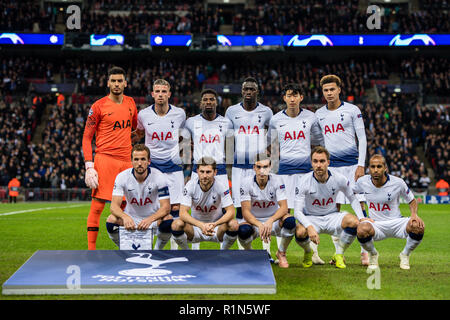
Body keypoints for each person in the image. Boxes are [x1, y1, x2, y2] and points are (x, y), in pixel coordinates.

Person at [315, 74, 369, 266]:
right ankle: (339, 253)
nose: (329, 93)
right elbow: (318, 143)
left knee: (361, 207)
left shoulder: (352, 110)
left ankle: (365, 251)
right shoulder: (318, 114)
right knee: (333, 211)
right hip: (332, 169)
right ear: (322, 92)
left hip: (353, 166)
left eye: (332, 89)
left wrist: (361, 164)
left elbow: (362, 138)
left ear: (339, 90)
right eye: (325, 90)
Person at [82, 66, 138, 250]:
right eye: (113, 81)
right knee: (97, 206)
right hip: (104, 160)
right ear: (108, 83)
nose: (116, 84)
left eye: (119, 81)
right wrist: (89, 165)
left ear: (125, 83)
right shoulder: (98, 106)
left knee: (126, 208)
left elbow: (135, 130)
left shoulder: (131, 103)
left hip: (126, 162)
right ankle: (91, 250)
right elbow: (87, 137)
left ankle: (127, 248)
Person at [269, 83, 324, 264]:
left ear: (301, 97)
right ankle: (280, 253)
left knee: (308, 213)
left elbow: (317, 143)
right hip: (284, 173)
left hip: (306, 174)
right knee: (284, 214)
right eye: (288, 95)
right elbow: (272, 146)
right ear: (284, 98)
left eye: (296, 95)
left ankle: (313, 253)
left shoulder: (311, 117)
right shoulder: (276, 120)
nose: (292, 99)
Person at [133, 79, 186, 249]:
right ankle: (153, 247)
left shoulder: (180, 114)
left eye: (164, 91)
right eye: (158, 91)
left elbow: (183, 136)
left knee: (176, 208)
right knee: (156, 208)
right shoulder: (143, 115)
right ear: (152, 94)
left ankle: (176, 249)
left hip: (173, 168)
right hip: (153, 168)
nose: (161, 95)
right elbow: (139, 133)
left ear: (169, 94)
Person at [294, 146, 365, 269]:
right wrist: (309, 227)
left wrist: (362, 218)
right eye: (315, 161)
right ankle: (308, 252)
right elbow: (297, 212)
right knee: (300, 232)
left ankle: (339, 254)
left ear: (328, 162)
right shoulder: (303, 181)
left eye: (322, 161)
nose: (319, 165)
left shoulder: (339, 178)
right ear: (311, 163)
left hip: (332, 217)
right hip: (312, 218)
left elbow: (353, 198)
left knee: (355, 222)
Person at [225, 77, 273, 253]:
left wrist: (266, 151)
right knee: (239, 207)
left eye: (252, 89)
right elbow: (227, 136)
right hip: (238, 167)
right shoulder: (231, 111)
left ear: (257, 92)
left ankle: (266, 252)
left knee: (263, 206)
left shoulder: (266, 112)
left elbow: (272, 134)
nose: (248, 92)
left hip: (259, 166)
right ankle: (244, 249)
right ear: (241, 91)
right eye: (246, 89)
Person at [181, 89, 233, 249]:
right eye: (205, 99)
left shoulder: (226, 122)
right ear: (201, 102)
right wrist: (188, 169)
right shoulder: (190, 122)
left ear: (216, 102)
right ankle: (195, 247)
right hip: (199, 169)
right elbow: (184, 143)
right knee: (195, 205)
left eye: (211, 99)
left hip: (220, 170)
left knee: (225, 210)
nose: (208, 102)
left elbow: (230, 148)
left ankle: (223, 250)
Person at [354, 155, 425, 270]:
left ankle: (405, 255)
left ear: (385, 168)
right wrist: (362, 215)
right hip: (375, 224)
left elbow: (411, 200)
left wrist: (414, 215)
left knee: (418, 226)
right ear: (369, 168)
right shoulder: (362, 182)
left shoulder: (398, 182)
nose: (376, 170)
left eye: (379, 166)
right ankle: (373, 254)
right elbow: (352, 194)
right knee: (361, 229)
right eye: (372, 167)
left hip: (397, 222)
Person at [105, 144, 172, 249]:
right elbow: (113, 206)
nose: (139, 163)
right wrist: (125, 217)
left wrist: (150, 219)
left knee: (168, 219)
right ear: (131, 161)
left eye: (143, 159)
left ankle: (157, 250)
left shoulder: (159, 177)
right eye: (136, 159)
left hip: (152, 220)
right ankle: (124, 248)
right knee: (111, 220)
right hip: (131, 219)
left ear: (148, 161)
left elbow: (166, 207)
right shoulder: (122, 177)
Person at [237, 152, 296, 268]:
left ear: (270, 167)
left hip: (273, 222)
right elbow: (245, 212)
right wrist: (259, 224)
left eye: (265, 167)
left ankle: (281, 253)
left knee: (290, 221)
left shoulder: (278, 180)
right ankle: (252, 254)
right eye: (258, 167)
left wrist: (270, 221)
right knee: (242, 230)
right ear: (254, 168)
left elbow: (284, 207)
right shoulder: (245, 182)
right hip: (254, 223)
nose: (262, 170)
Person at [171, 157, 238, 249]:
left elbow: (231, 212)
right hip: (195, 228)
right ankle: (186, 252)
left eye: (208, 172)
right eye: (202, 172)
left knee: (234, 224)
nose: (204, 175)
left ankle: (224, 252)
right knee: (176, 224)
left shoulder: (221, 186)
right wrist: (201, 225)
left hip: (216, 228)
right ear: (197, 171)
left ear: (215, 172)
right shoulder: (190, 186)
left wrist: (215, 224)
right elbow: (182, 213)